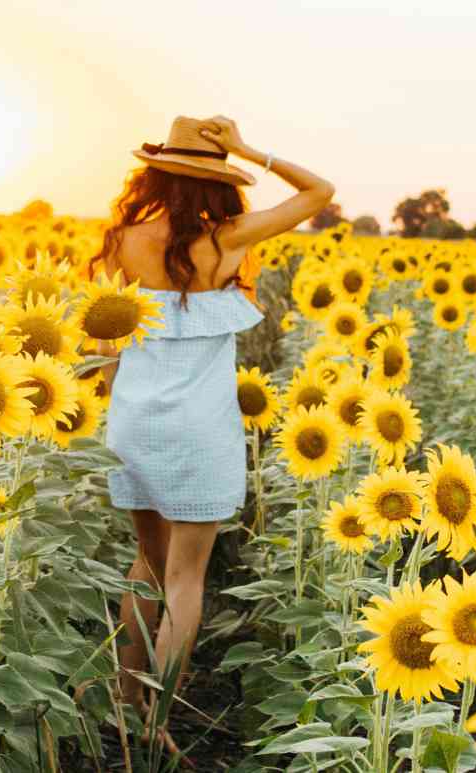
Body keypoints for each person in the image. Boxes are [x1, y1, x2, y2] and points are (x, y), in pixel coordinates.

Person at [88, 114, 334, 763]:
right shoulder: (228, 239)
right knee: (186, 577)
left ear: (157, 174)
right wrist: (253, 151)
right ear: (219, 183)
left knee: (145, 564)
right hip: (200, 428)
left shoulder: (124, 239)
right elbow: (320, 192)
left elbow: (104, 339)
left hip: (134, 420)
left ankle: (124, 699)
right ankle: (159, 717)